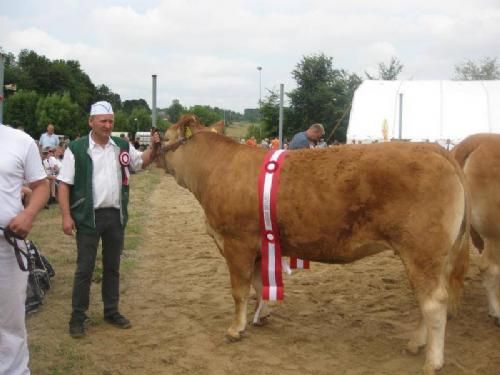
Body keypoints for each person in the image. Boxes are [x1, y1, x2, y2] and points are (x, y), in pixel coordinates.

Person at [57, 101, 161, 338]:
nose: (107, 125)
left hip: (115, 215)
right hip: (87, 217)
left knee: (112, 267)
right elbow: (64, 185)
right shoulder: (77, 148)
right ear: (91, 122)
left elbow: (140, 162)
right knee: (85, 269)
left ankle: (111, 311)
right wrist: (66, 216)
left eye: (110, 121)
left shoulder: (121, 146)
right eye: (103, 120)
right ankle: (77, 316)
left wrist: (153, 148)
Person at [0, 124, 49, 375]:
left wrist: (29, 214)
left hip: (7, 245)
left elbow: (42, 186)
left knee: (10, 321)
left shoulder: (20, 141)